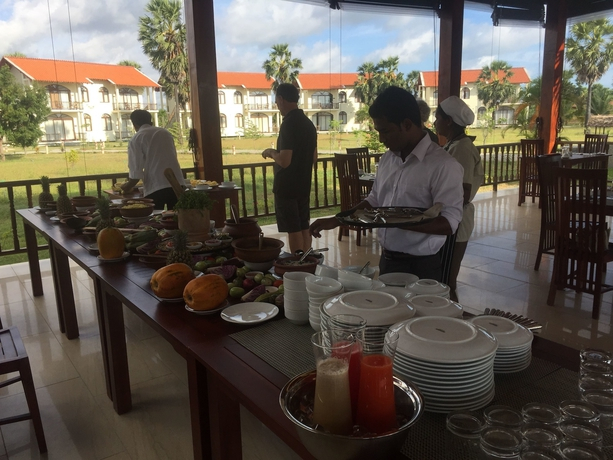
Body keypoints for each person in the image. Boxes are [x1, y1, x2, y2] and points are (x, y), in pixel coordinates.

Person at [310, 87, 464, 280]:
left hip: (421, 267)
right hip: (388, 261)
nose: (381, 139)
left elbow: (449, 223)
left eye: (385, 131)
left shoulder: (443, 165)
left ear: (407, 124)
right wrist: (339, 219)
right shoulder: (388, 160)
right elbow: (374, 200)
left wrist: (396, 221)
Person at [434, 96, 484, 302]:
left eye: (437, 118)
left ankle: (452, 315)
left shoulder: (462, 147)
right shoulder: (453, 144)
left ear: (448, 121)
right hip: (452, 217)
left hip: (458, 219)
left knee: (447, 279)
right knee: (441, 277)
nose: (435, 122)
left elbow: (463, 192)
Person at [262, 83, 318, 254]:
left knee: (293, 229)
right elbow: (314, 157)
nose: (276, 104)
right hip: (303, 184)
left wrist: (271, 152)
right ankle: (307, 261)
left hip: (286, 187)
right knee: (303, 226)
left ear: (281, 99)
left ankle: (297, 263)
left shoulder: (288, 124)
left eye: (276, 100)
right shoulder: (308, 124)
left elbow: (285, 161)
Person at [120, 110, 184, 210]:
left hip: (155, 186)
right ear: (151, 121)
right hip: (177, 183)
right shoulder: (165, 133)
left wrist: (126, 187)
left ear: (134, 124)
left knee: (154, 217)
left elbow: (136, 174)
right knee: (177, 216)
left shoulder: (136, 138)